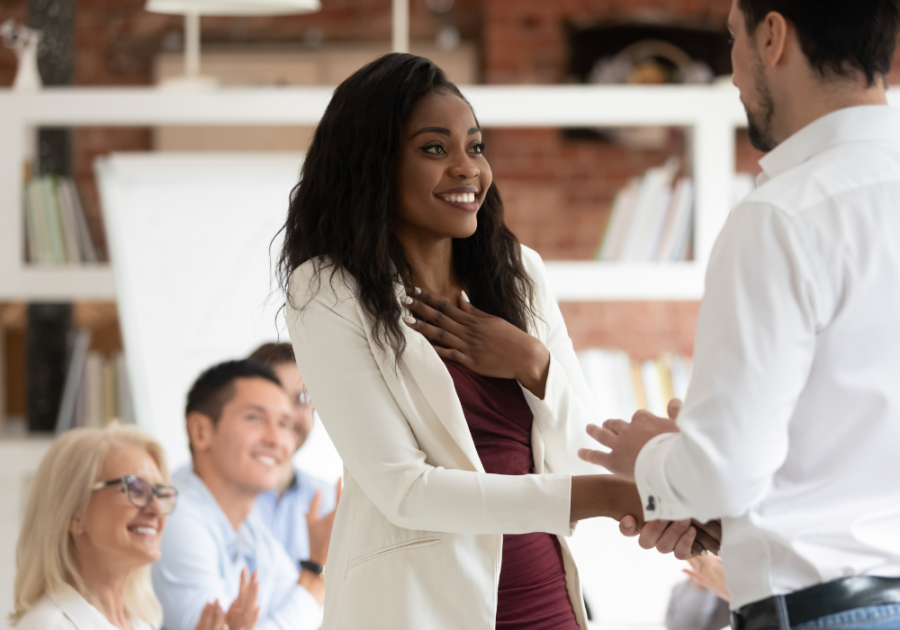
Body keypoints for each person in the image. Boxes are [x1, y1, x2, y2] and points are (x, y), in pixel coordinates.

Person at [278, 53, 717, 630]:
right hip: (419, 609)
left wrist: (532, 363)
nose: (467, 168)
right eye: (435, 149)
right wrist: (611, 498)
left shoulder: (518, 271)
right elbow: (405, 491)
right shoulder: (328, 290)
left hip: (544, 596)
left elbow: (577, 451)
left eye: (476, 147)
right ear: (373, 164)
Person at [580, 1, 900, 629]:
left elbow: (721, 474)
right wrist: (743, 518)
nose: (731, 72)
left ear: (773, 35)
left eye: (732, 39)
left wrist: (655, 460)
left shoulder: (781, 216)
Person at [151, 360, 338, 630]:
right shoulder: (173, 514)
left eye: (284, 424)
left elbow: (321, 620)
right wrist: (315, 573)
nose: (276, 440)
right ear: (201, 431)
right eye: (254, 418)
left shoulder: (250, 530)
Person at [11, 424, 239, 630]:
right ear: (74, 513)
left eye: (160, 494)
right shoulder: (47, 626)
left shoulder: (140, 621)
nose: (156, 511)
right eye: (135, 490)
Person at [248, 342, 337, 568]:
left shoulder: (329, 502)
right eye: (273, 397)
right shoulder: (209, 496)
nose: (285, 414)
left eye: (302, 399)